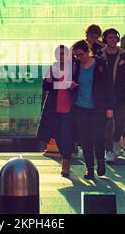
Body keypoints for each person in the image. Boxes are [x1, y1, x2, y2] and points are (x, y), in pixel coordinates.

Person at [71, 40, 113, 179]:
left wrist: (109, 106)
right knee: (85, 139)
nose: (79, 58)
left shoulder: (99, 64)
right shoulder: (76, 66)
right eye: (76, 55)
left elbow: (108, 85)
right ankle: (89, 168)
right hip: (81, 107)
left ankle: (101, 161)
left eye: (81, 54)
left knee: (99, 137)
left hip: (98, 107)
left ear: (87, 51)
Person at [37, 45, 75, 178]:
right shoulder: (53, 68)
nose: (60, 57)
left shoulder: (73, 68)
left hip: (69, 107)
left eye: (63, 54)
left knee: (67, 135)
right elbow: (46, 86)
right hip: (54, 107)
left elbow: (76, 85)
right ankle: (66, 157)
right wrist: (51, 81)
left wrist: (56, 83)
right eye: (58, 54)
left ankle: (66, 162)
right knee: (57, 135)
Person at [99, 29, 125, 162]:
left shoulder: (124, 55)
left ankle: (115, 143)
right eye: (110, 38)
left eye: (115, 37)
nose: (113, 40)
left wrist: (124, 66)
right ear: (105, 39)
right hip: (104, 97)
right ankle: (108, 150)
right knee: (107, 124)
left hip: (119, 95)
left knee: (120, 124)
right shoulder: (100, 55)